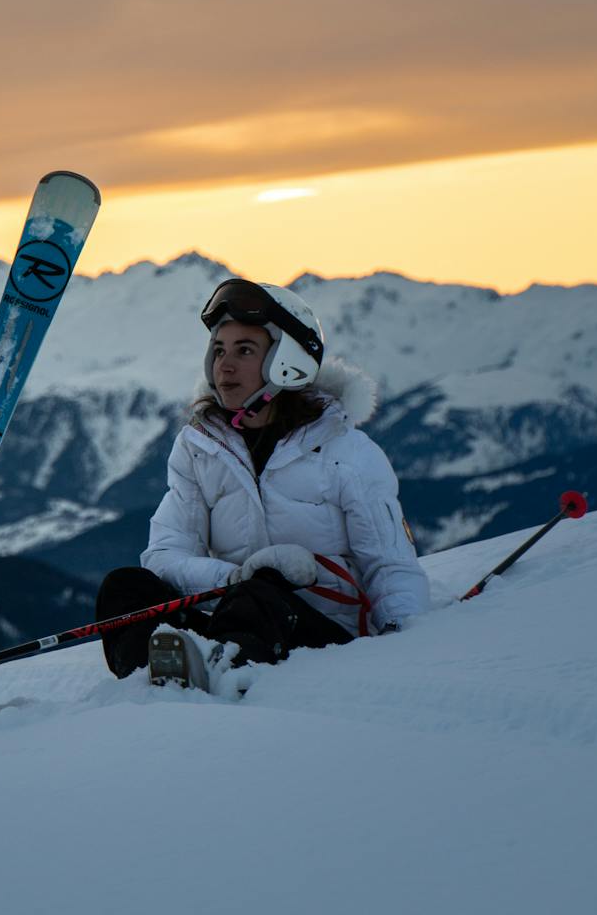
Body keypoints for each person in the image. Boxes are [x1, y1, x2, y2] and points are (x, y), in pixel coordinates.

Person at [96, 277, 429, 690]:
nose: (224, 365)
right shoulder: (199, 449)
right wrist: (233, 579)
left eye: (245, 351)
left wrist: (404, 637)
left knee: (262, 591)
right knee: (125, 588)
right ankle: (151, 680)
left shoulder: (347, 452)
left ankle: (213, 674)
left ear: (286, 363)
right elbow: (165, 554)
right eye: (218, 350)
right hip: (231, 620)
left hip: (323, 639)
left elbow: (390, 565)